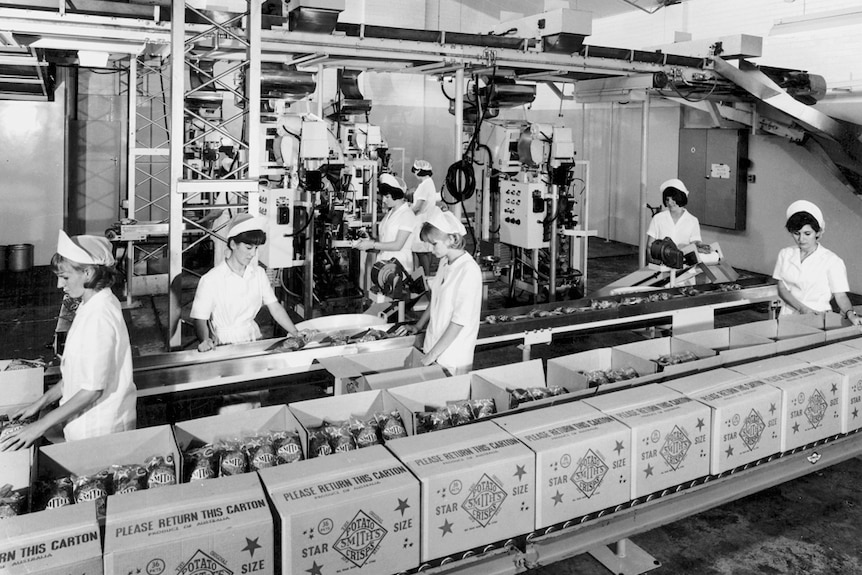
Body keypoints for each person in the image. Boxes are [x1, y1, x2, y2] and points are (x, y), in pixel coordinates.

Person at [0, 231, 136, 451]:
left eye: (64, 277)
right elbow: (78, 375)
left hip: (99, 430)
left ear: (88, 272)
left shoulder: (99, 317)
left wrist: (39, 426)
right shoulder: (89, 304)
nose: (58, 285)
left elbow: (92, 389)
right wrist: (39, 404)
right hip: (85, 423)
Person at [191, 213, 299, 352]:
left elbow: (275, 308)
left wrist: (295, 332)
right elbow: (200, 318)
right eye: (249, 248)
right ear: (233, 244)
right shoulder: (211, 279)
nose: (253, 254)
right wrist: (205, 340)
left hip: (253, 338)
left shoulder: (258, 274)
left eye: (256, 248)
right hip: (225, 343)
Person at [406, 210, 482, 375]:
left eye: (434, 244)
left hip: (453, 356)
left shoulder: (469, 271)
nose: (431, 249)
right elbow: (436, 300)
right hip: (433, 348)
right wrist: (418, 326)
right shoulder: (445, 262)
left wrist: (432, 355)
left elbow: (459, 322)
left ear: (452, 239)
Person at [772, 200, 862, 325]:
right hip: (787, 316)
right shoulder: (785, 254)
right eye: (796, 233)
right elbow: (782, 287)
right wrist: (802, 308)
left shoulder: (832, 260)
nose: (801, 239)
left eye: (807, 233)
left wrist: (851, 314)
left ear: (818, 233)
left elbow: (840, 296)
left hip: (818, 317)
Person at [355, 173, 418, 274]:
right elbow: (385, 240)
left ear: (396, 195)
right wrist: (369, 240)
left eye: (387, 197)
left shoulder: (407, 215)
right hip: (384, 265)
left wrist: (372, 244)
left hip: (399, 265)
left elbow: (397, 245)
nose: (384, 200)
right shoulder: (390, 213)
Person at [646, 178, 711, 269]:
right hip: (661, 269)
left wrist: (702, 247)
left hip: (685, 269)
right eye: (667, 199)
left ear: (681, 198)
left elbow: (695, 243)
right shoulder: (658, 218)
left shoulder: (692, 220)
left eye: (673, 199)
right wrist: (654, 264)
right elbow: (650, 246)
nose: (670, 203)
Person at [409, 159, 441, 277]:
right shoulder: (429, 183)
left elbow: (418, 206)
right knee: (427, 251)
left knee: (421, 251)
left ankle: (425, 278)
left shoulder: (424, 185)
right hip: (428, 218)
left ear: (418, 171)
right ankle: (425, 278)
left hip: (420, 220)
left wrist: (407, 212)